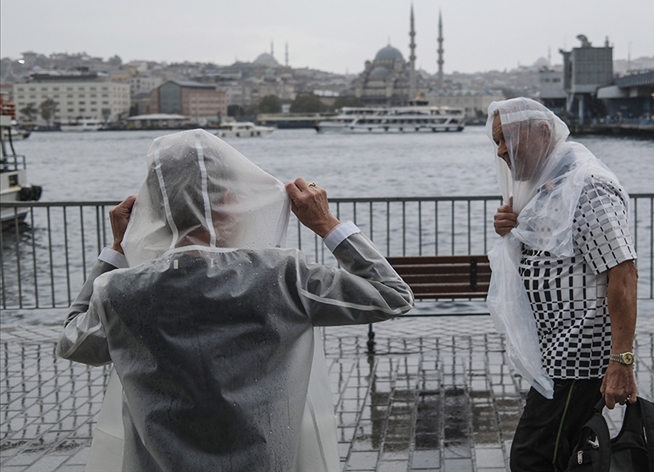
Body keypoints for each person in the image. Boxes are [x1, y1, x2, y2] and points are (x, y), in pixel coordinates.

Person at [56, 129, 414, 471]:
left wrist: (116, 251)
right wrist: (327, 224)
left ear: (153, 211)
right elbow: (391, 296)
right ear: (229, 200)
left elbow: (73, 343)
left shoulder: (120, 292)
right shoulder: (282, 275)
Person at [484, 98, 638, 471]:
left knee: (532, 457)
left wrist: (621, 361)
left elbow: (623, 272)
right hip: (556, 355)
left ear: (543, 132)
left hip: (578, 359)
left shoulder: (589, 187)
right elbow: (556, 248)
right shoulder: (551, 186)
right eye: (496, 142)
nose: (501, 150)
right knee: (562, 455)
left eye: (507, 138)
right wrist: (512, 226)